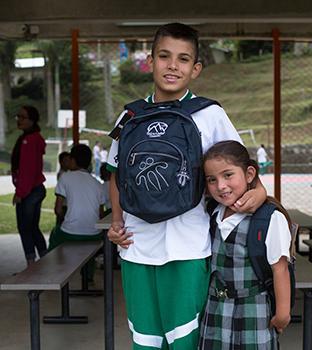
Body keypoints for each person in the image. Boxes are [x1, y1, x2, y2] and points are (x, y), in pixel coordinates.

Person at [106, 23, 267, 350]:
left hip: (188, 243)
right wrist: (116, 222)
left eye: (183, 59)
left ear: (195, 69)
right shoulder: (130, 115)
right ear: (150, 61)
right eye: (164, 56)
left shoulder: (210, 114)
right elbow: (115, 173)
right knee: (145, 337)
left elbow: (240, 168)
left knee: (187, 336)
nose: (172, 66)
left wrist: (260, 193)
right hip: (136, 244)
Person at [199, 140, 291, 349]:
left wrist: (283, 314)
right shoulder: (212, 212)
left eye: (228, 175)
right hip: (216, 309)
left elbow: (280, 269)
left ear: (249, 174)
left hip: (253, 309)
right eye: (211, 179)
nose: (221, 186)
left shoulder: (269, 218)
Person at [49, 144, 106, 279]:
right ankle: (88, 276)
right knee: (90, 248)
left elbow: (58, 209)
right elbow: (101, 214)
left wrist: (66, 219)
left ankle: (53, 271)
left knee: (55, 235)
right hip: (94, 234)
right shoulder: (97, 183)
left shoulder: (65, 177)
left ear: (73, 160)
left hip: (70, 233)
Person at [11, 105, 47, 266]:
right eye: (18, 116)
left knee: (25, 228)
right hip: (34, 190)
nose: (19, 119)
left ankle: (32, 266)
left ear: (32, 120)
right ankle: (44, 262)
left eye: (22, 117)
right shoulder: (30, 138)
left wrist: (20, 192)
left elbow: (28, 169)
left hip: (30, 191)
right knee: (32, 227)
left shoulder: (29, 140)